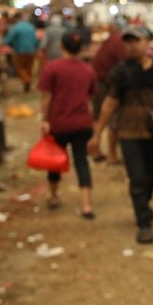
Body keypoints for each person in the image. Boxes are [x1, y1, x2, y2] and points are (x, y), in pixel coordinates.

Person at [88, 26, 153, 244]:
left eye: (137, 40)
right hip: (129, 129)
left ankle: (145, 204)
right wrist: (97, 134)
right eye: (128, 41)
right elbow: (110, 102)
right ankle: (143, 223)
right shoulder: (120, 71)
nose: (132, 45)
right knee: (137, 176)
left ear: (147, 42)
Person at [38, 31, 97, 218]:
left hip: (59, 123)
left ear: (61, 47)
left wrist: (45, 120)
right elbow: (90, 98)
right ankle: (86, 204)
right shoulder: (88, 70)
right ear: (81, 49)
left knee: (54, 161)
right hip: (82, 123)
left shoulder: (52, 68)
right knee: (82, 161)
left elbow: (46, 98)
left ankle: (54, 195)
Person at [90, 21, 128, 164]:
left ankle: (95, 149)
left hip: (98, 79)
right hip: (107, 83)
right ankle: (112, 155)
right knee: (113, 118)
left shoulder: (111, 40)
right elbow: (125, 64)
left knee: (98, 116)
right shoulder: (120, 42)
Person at [3, 11, 39, 92]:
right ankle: (27, 85)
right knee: (28, 68)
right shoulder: (31, 27)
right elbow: (36, 40)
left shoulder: (15, 28)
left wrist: (2, 43)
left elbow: (8, 40)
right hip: (31, 51)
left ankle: (27, 81)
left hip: (20, 51)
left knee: (20, 69)